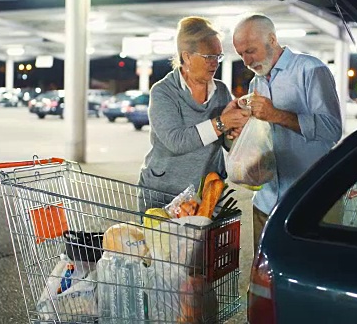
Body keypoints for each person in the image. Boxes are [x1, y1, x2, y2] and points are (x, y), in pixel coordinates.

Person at [232, 13, 342, 250]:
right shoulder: (256, 83)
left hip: (309, 201)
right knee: (264, 280)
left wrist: (276, 115)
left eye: (250, 51)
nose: (246, 61)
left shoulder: (311, 69)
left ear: (272, 40)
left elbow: (332, 130)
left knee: (309, 274)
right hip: (266, 201)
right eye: (241, 54)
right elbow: (264, 136)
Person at [138, 16, 250, 197]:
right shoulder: (163, 92)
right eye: (209, 57)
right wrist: (222, 123)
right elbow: (176, 141)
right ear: (187, 57)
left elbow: (225, 142)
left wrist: (233, 134)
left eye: (218, 56)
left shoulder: (220, 90)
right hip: (165, 193)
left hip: (208, 193)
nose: (215, 62)